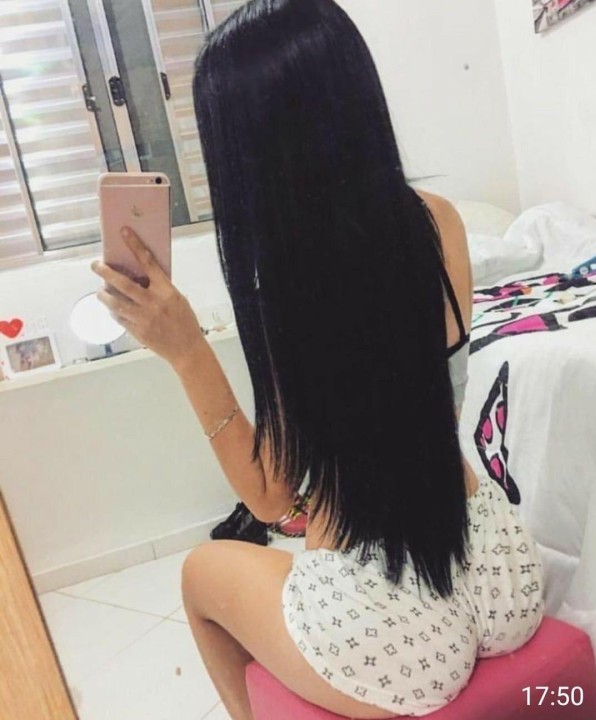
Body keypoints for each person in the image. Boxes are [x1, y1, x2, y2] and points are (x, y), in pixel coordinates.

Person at [92, 1, 544, 718]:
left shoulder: (287, 284)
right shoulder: (440, 220)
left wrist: (186, 351)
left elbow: (271, 500)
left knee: (201, 575)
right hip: (500, 567)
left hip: (389, 625)